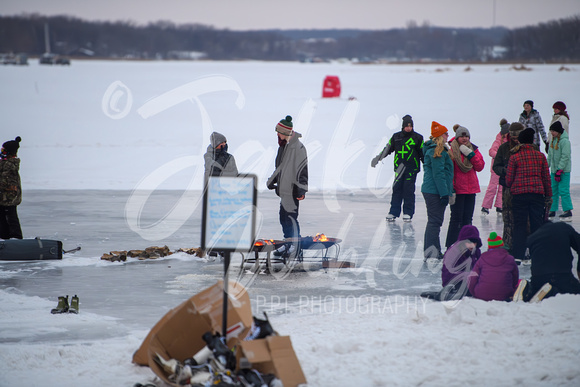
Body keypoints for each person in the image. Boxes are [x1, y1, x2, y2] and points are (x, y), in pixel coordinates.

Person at [505, 128, 552, 262]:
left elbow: (509, 180)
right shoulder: (540, 156)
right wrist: (549, 196)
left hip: (519, 195)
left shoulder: (515, 157)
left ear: (520, 141)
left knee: (519, 225)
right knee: (536, 224)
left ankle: (518, 255)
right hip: (537, 194)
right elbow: (546, 178)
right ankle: (536, 253)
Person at [266, 115, 308, 257]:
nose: (277, 135)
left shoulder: (298, 147)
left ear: (284, 133)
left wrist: (302, 189)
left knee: (290, 218)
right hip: (284, 190)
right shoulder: (283, 147)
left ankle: (295, 247)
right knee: (283, 217)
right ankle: (288, 244)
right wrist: (273, 180)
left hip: (293, 189)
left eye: (278, 132)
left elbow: (303, 169)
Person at [371, 114, 424, 222]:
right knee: (397, 190)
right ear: (403, 126)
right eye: (407, 126)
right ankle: (393, 212)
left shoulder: (418, 138)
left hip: (411, 169)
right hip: (399, 169)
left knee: (408, 191)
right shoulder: (396, 137)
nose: (409, 128)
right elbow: (387, 149)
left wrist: (427, 166)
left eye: (410, 126)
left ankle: (408, 213)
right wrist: (377, 159)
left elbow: (422, 153)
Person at [445, 125, 485, 248]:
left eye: (466, 136)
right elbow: (449, 170)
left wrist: (471, 155)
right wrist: (451, 189)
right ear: (457, 137)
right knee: (456, 219)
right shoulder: (451, 149)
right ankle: (452, 244)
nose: (464, 138)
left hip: (471, 189)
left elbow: (480, 167)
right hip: (458, 189)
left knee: (468, 219)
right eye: (462, 136)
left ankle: (466, 244)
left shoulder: (473, 149)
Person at [519, 222, 580, 301]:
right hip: (562, 276)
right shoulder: (563, 227)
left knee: (537, 289)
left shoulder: (531, 238)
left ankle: (530, 293)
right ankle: (553, 292)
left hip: (538, 278)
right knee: (572, 291)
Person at [421, 121, 453, 260]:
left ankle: (431, 250)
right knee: (435, 222)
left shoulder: (436, 150)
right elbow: (438, 174)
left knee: (434, 221)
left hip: (432, 190)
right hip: (434, 191)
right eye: (446, 133)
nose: (448, 136)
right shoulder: (437, 151)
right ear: (440, 135)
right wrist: (444, 193)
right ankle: (431, 251)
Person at [492, 122, 525, 253]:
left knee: (523, 218)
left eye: (518, 138)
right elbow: (496, 166)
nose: (515, 140)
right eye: (513, 138)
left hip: (524, 188)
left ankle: (524, 246)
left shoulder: (530, 148)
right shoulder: (504, 148)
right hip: (508, 188)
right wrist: (505, 170)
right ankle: (508, 245)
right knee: (508, 217)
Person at [468, 232, 519, 301]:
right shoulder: (510, 259)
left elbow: (472, 278)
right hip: (504, 294)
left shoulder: (482, 258)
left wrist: (474, 293)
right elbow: (515, 278)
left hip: (481, 294)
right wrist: (510, 290)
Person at [441, 225, 482, 292]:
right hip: (453, 284)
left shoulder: (476, 251)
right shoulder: (452, 253)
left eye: (475, 243)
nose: (472, 245)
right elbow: (448, 274)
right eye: (469, 242)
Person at [481, 119, 509, 215]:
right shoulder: (498, 141)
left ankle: (499, 206)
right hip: (496, 168)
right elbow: (491, 151)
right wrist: (499, 157)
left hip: (504, 169)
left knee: (502, 187)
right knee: (492, 187)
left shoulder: (509, 142)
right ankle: (485, 206)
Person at [547, 121, 572, 221]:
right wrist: (546, 167)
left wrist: (559, 169)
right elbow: (550, 156)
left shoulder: (565, 142)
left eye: (553, 131)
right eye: (551, 131)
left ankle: (567, 210)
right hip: (554, 171)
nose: (552, 133)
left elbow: (565, 156)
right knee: (553, 190)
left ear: (558, 131)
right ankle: (552, 210)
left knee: (563, 190)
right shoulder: (553, 141)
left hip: (563, 171)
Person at [0, 136, 23, 240]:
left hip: (9, 198)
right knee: (2, 219)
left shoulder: (9, 165)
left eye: (4, 150)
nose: (2, 152)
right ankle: (4, 237)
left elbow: (5, 181)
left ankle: (16, 238)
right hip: (3, 197)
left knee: (10, 218)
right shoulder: (4, 163)